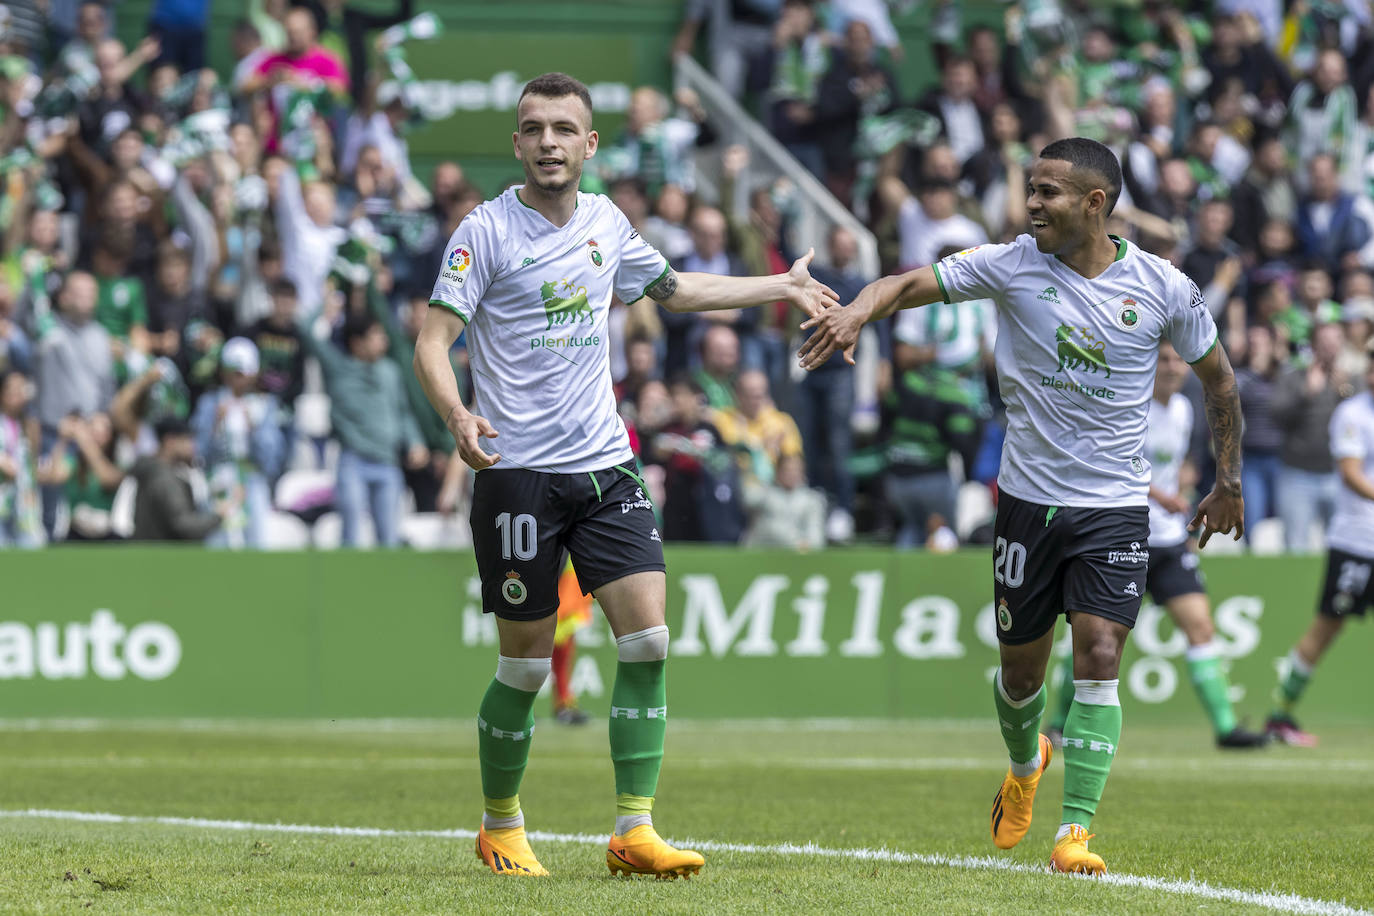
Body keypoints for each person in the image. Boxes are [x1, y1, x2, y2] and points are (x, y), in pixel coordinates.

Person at [412, 72, 837, 879]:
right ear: (517, 142)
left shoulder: (607, 222)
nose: (548, 143)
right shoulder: (484, 231)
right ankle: (500, 824)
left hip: (606, 465)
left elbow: (677, 291)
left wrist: (779, 284)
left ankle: (633, 831)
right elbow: (433, 341)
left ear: (590, 143)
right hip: (519, 473)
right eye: (534, 128)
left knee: (647, 641)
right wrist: (458, 418)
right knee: (527, 666)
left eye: (564, 129)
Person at [800, 138, 1244, 875]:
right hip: (1027, 505)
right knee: (1021, 679)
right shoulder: (1011, 263)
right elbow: (908, 284)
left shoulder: (1165, 287)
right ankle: (1025, 761)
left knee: (1100, 654)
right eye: (1030, 190)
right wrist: (856, 314)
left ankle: (1076, 835)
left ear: (1095, 204)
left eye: (1048, 193)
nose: (1031, 204)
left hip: (1112, 508)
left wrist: (1227, 481)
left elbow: (1221, 382)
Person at [1045, 343, 1269, 749]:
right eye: (1163, 359)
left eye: (1177, 359)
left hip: (1167, 539)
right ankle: (1058, 723)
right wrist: (1161, 496)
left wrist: (1182, 498)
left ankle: (1226, 728)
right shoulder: (1130, 406)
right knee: (1093, 637)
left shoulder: (1184, 410)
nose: (1171, 367)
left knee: (1201, 627)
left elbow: (1177, 467)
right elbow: (1110, 461)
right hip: (1121, 533)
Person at [1266, 344, 1374, 747]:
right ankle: (1279, 716)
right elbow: (1350, 473)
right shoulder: (1352, 413)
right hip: (1357, 542)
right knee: (1326, 628)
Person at [130, 416, 225, 542]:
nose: (192, 446)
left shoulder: (152, 470)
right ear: (170, 441)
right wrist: (219, 515)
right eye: (187, 439)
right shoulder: (165, 479)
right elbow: (183, 525)